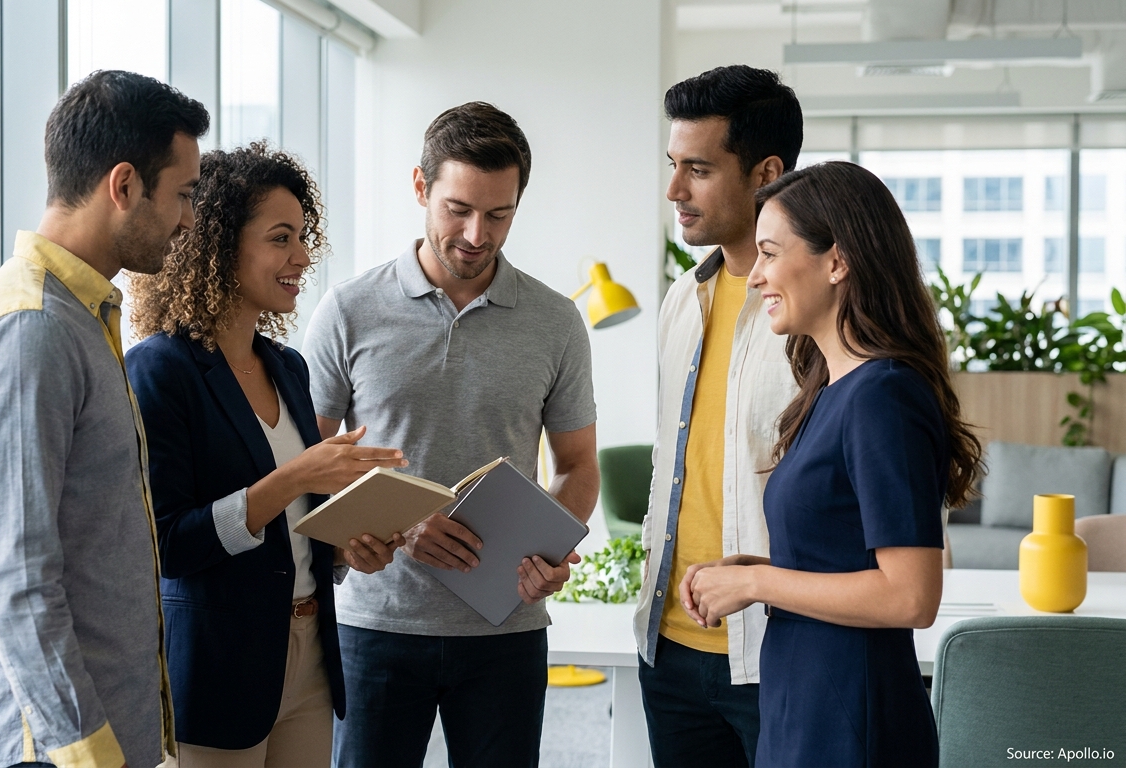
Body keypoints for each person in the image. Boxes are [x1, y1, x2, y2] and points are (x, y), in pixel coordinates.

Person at [303, 102, 600, 768]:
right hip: (375, 626)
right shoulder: (348, 311)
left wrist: (550, 551)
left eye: (499, 214)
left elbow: (578, 465)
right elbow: (308, 466)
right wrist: (403, 523)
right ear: (420, 188)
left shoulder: (554, 322)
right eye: (457, 209)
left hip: (506, 629)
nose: (475, 233)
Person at [0, 70, 209, 767]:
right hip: (53, 750)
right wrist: (88, 755)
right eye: (181, 195)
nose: (188, 219)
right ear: (123, 186)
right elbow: (15, 577)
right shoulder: (31, 330)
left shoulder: (80, 317)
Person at [682, 161, 983, 766]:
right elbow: (847, 555)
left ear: (837, 262)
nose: (755, 275)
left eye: (769, 253)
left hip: (850, 715)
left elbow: (910, 597)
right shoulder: (830, 390)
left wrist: (755, 582)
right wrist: (762, 567)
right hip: (804, 699)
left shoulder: (883, 395)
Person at [125, 143, 407, 768]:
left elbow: (293, 533)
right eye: (281, 238)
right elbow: (169, 543)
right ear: (219, 244)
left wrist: (345, 547)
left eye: (302, 238)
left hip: (309, 649)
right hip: (220, 665)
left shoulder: (287, 367)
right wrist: (296, 476)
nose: (303, 258)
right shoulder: (160, 371)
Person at [632, 65, 803, 767]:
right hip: (667, 648)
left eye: (697, 169)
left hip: (777, 654)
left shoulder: (819, 313)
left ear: (767, 173)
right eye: (673, 166)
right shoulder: (683, 298)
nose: (674, 190)